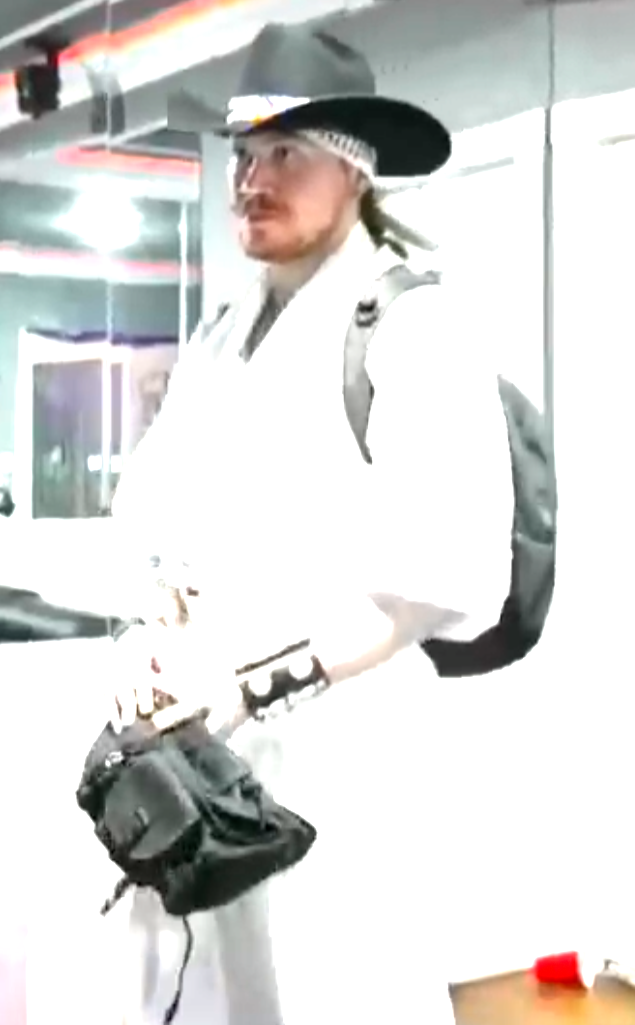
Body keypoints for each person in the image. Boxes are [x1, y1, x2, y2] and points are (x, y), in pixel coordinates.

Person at [109, 21, 514, 1025]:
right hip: (199, 768)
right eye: (243, 155)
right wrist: (153, 635)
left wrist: (248, 683)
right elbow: (160, 519)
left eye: (285, 153)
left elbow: (435, 581)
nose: (252, 178)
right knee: (202, 994)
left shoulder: (413, 328)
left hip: (340, 768)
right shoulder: (218, 336)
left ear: (352, 170)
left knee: (336, 994)